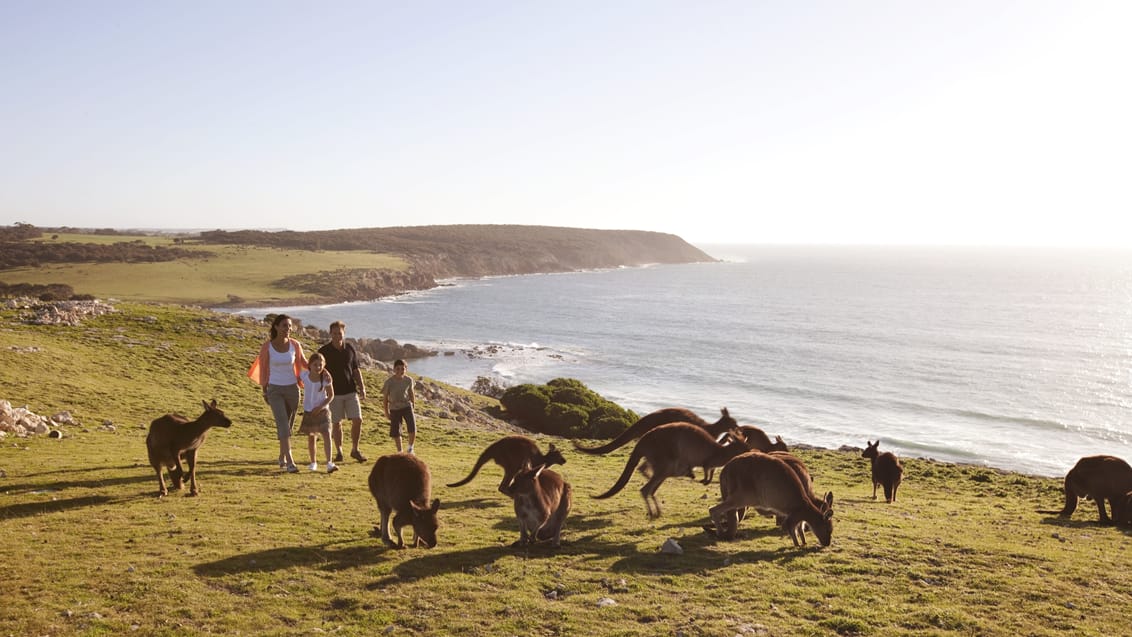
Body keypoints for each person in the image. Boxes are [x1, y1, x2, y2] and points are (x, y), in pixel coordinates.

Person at [248, 314, 308, 473]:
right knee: (282, 425)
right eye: (284, 326)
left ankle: (282, 456)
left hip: (293, 390)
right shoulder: (267, 346)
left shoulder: (295, 345)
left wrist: (322, 371)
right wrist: (264, 390)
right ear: (276, 327)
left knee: (288, 426)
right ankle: (290, 461)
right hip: (274, 389)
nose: (288, 329)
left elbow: (304, 363)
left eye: (289, 326)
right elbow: (263, 368)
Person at [318, 321, 368, 463]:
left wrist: (362, 387)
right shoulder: (324, 351)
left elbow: (356, 370)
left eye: (339, 333)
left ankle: (355, 450)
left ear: (344, 333)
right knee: (336, 423)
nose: (337, 336)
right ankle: (339, 451)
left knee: (358, 419)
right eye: (334, 333)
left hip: (351, 391)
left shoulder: (350, 349)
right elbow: (317, 371)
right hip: (333, 393)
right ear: (330, 334)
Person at [298, 352, 337, 473]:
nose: (318, 367)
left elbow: (331, 395)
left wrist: (320, 407)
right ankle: (313, 462)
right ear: (310, 365)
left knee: (326, 434)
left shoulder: (325, 379)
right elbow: (296, 376)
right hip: (309, 411)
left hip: (323, 410)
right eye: (315, 365)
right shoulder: (304, 375)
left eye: (320, 365)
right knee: (311, 437)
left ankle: (329, 463)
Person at [381, 359, 417, 453]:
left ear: (406, 369)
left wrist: (413, 405)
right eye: (398, 369)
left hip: (407, 406)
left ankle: (410, 448)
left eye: (402, 369)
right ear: (394, 369)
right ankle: (400, 451)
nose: (400, 371)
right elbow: (385, 399)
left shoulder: (409, 380)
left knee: (412, 427)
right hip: (394, 408)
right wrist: (386, 412)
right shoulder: (389, 382)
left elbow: (411, 393)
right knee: (396, 432)